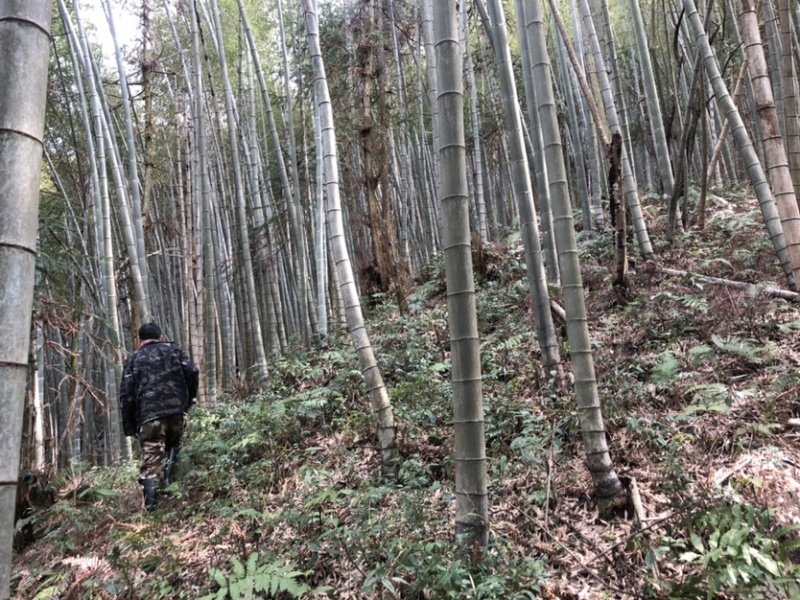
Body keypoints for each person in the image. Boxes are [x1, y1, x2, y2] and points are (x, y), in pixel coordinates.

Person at [120, 323, 199, 511]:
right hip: (176, 411)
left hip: (150, 417)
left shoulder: (134, 359)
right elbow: (192, 372)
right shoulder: (174, 350)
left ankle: (153, 511)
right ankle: (169, 484)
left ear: (140, 340)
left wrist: (130, 425)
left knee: (151, 462)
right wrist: (188, 399)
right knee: (173, 444)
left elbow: (126, 393)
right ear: (160, 337)